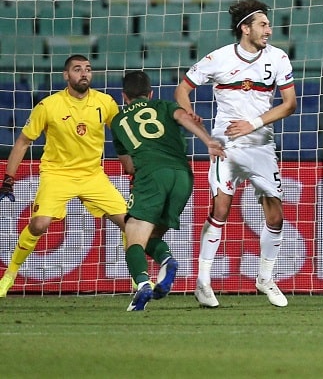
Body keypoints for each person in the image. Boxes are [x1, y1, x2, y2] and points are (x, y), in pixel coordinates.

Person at [174, 0, 297, 308]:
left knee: (276, 216)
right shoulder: (218, 58)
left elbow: (289, 105)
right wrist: (191, 115)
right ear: (245, 28)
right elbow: (182, 90)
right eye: (263, 25)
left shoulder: (278, 58)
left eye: (268, 25)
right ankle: (203, 282)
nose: (269, 30)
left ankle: (265, 278)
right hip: (225, 144)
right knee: (221, 208)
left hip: (261, 144)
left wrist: (252, 124)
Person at [0, 55, 128, 297]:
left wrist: (135, 167)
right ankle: (10, 275)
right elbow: (23, 141)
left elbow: (123, 136)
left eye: (88, 69)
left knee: (130, 224)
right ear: (66, 75)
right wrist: (8, 179)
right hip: (57, 174)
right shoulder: (48, 106)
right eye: (77, 69)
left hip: (92, 175)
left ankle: (136, 279)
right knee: (39, 224)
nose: (84, 73)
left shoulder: (105, 103)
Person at [111, 71, 226, 311]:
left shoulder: (118, 121)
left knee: (133, 236)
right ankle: (166, 261)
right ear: (151, 94)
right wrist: (208, 141)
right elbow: (184, 116)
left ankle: (143, 284)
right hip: (182, 178)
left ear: (124, 97)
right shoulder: (164, 105)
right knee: (152, 236)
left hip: (152, 175)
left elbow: (129, 167)